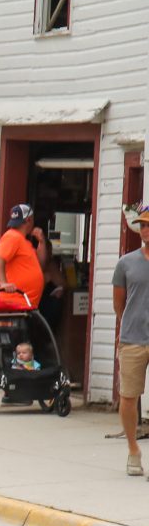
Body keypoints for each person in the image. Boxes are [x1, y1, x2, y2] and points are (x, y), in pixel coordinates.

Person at [113, 204, 149, 477]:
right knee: (128, 396)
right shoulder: (126, 263)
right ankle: (133, 449)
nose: (145, 229)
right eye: (143, 225)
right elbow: (119, 304)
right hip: (133, 338)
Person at [0, 203, 44, 309]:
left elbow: (41, 263)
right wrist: (3, 283)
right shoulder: (12, 236)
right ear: (29, 220)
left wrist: (42, 242)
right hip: (14, 302)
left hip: (25, 304)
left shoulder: (24, 242)